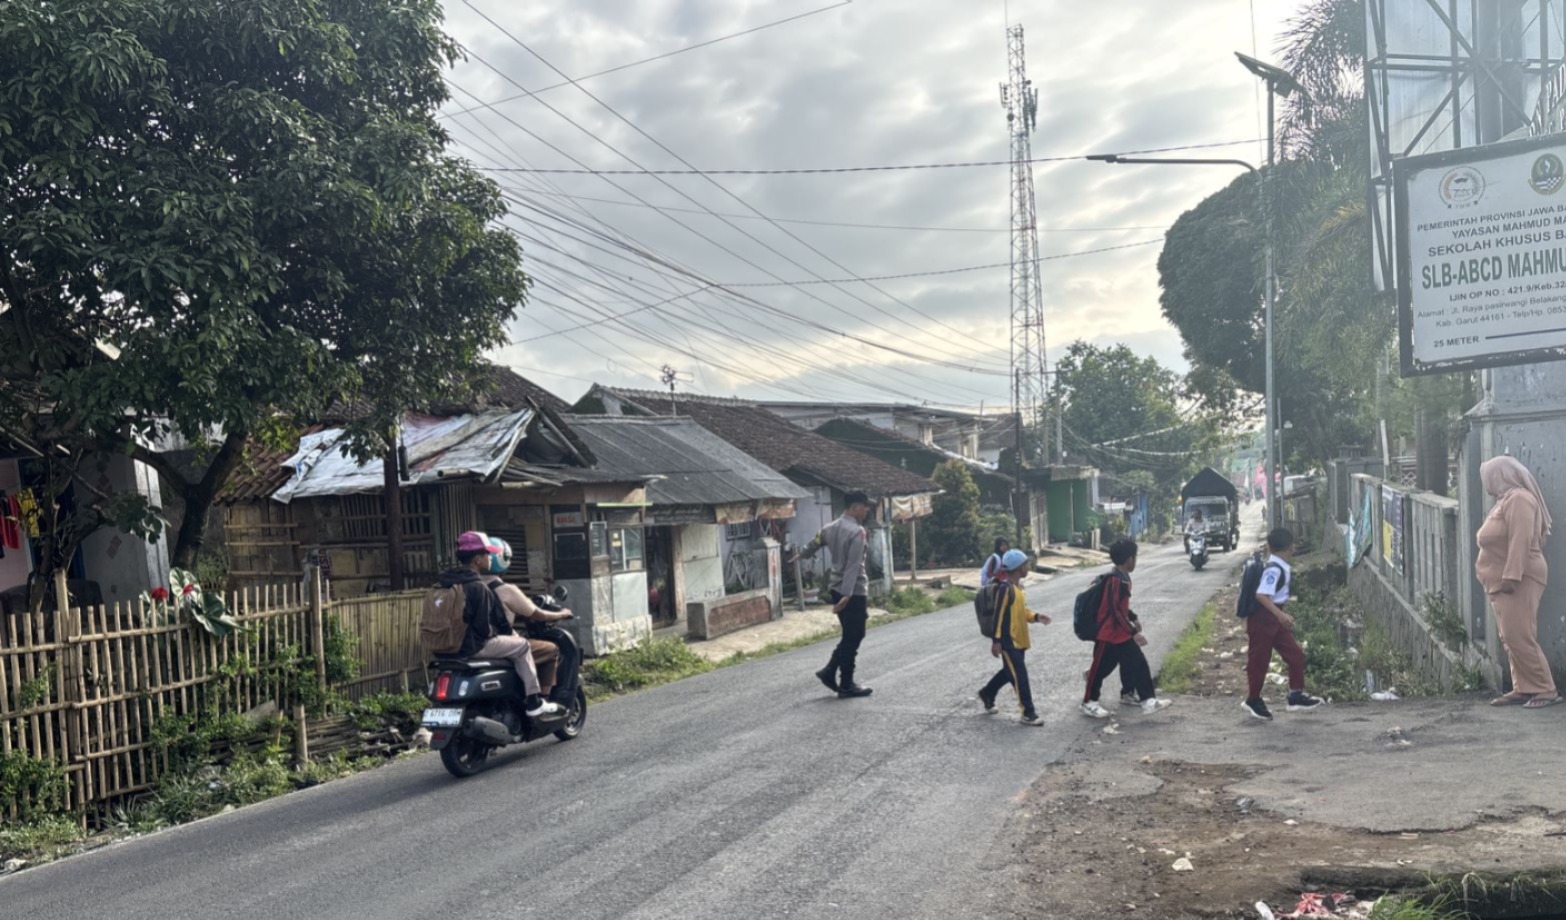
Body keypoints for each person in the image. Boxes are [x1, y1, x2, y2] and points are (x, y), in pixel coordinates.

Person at [441, 531, 560, 718]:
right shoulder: (478, 586)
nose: (489, 557)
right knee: (521, 645)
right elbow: (483, 629)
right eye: (487, 554)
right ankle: (533, 702)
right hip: (473, 646)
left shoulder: (448, 583)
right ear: (478, 559)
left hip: (449, 646)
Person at [1477, 456, 1557, 708]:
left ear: (1500, 475)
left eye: (1488, 475)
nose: (1486, 482)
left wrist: (1511, 576)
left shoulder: (1520, 499)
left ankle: (1545, 689)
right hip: (1503, 581)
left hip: (1519, 578)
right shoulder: (1506, 500)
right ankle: (1523, 687)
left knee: (1519, 634)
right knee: (1509, 636)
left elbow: (1520, 540)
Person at [795, 491, 875, 698]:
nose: (867, 511)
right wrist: (847, 595)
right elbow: (853, 565)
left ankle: (829, 671)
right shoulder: (857, 532)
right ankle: (846, 684)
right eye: (865, 507)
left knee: (850, 634)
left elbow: (815, 543)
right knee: (854, 636)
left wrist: (801, 554)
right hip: (853, 590)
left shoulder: (829, 528)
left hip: (835, 587)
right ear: (855, 507)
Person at [481, 538, 579, 705]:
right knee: (551, 649)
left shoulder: (467, 587)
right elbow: (537, 614)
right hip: (496, 643)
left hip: (471, 643)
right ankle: (541, 700)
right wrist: (561, 614)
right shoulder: (506, 590)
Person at [1081, 538, 1171, 718]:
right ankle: (1089, 702)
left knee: (1139, 663)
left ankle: (1148, 701)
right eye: (1135, 557)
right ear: (1129, 559)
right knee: (1099, 670)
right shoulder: (1115, 580)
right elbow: (1114, 609)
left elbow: (1120, 607)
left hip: (1119, 634)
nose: (1135, 560)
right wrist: (1133, 632)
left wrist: (1133, 617)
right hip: (1107, 634)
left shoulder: (1122, 578)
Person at [1241, 528, 1324, 722]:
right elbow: (1261, 595)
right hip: (1264, 619)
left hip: (1273, 619)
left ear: (1270, 546)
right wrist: (1281, 615)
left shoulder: (1279, 566)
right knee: (1259, 661)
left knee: (1296, 655)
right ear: (1291, 547)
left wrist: (1279, 616)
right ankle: (1253, 700)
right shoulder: (1274, 569)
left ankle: (1295, 695)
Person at [978, 549, 1051, 725]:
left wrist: (1035, 617)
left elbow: (1020, 611)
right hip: (1009, 641)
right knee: (1020, 676)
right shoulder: (1005, 588)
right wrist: (996, 642)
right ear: (1018, 568)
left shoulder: (1018, 589)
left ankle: (988, 692)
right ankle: (1028, 713)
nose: (1028, 567)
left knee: (1008, 673)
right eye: (1026, 564)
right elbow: (999, 615)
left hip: (1019, 640)